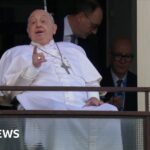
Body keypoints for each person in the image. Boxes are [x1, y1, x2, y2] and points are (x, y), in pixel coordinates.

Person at [0, 9, 123, 150]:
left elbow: (91, 80)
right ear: (28, 30)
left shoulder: (73, 49)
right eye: (33, 22)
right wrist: (33, 68)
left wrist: (93, 98)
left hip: (81, 106)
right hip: (44, 108)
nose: (38, 25)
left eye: (43, 21)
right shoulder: (16, 53)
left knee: (109, 110)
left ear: (54, 28)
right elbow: (9, 92)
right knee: (59, 113)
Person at [54, 0, 104, 71]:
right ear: (81, 17)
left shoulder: (91, 42)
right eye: (93, 26)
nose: (94, 31)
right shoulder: (50, 29)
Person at [100, 37, 137, 111]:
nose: (122, 61)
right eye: (118, 55)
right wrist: (106, 106)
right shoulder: (98, 79)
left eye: (127, 56)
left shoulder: (137, 82)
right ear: (110, 56)